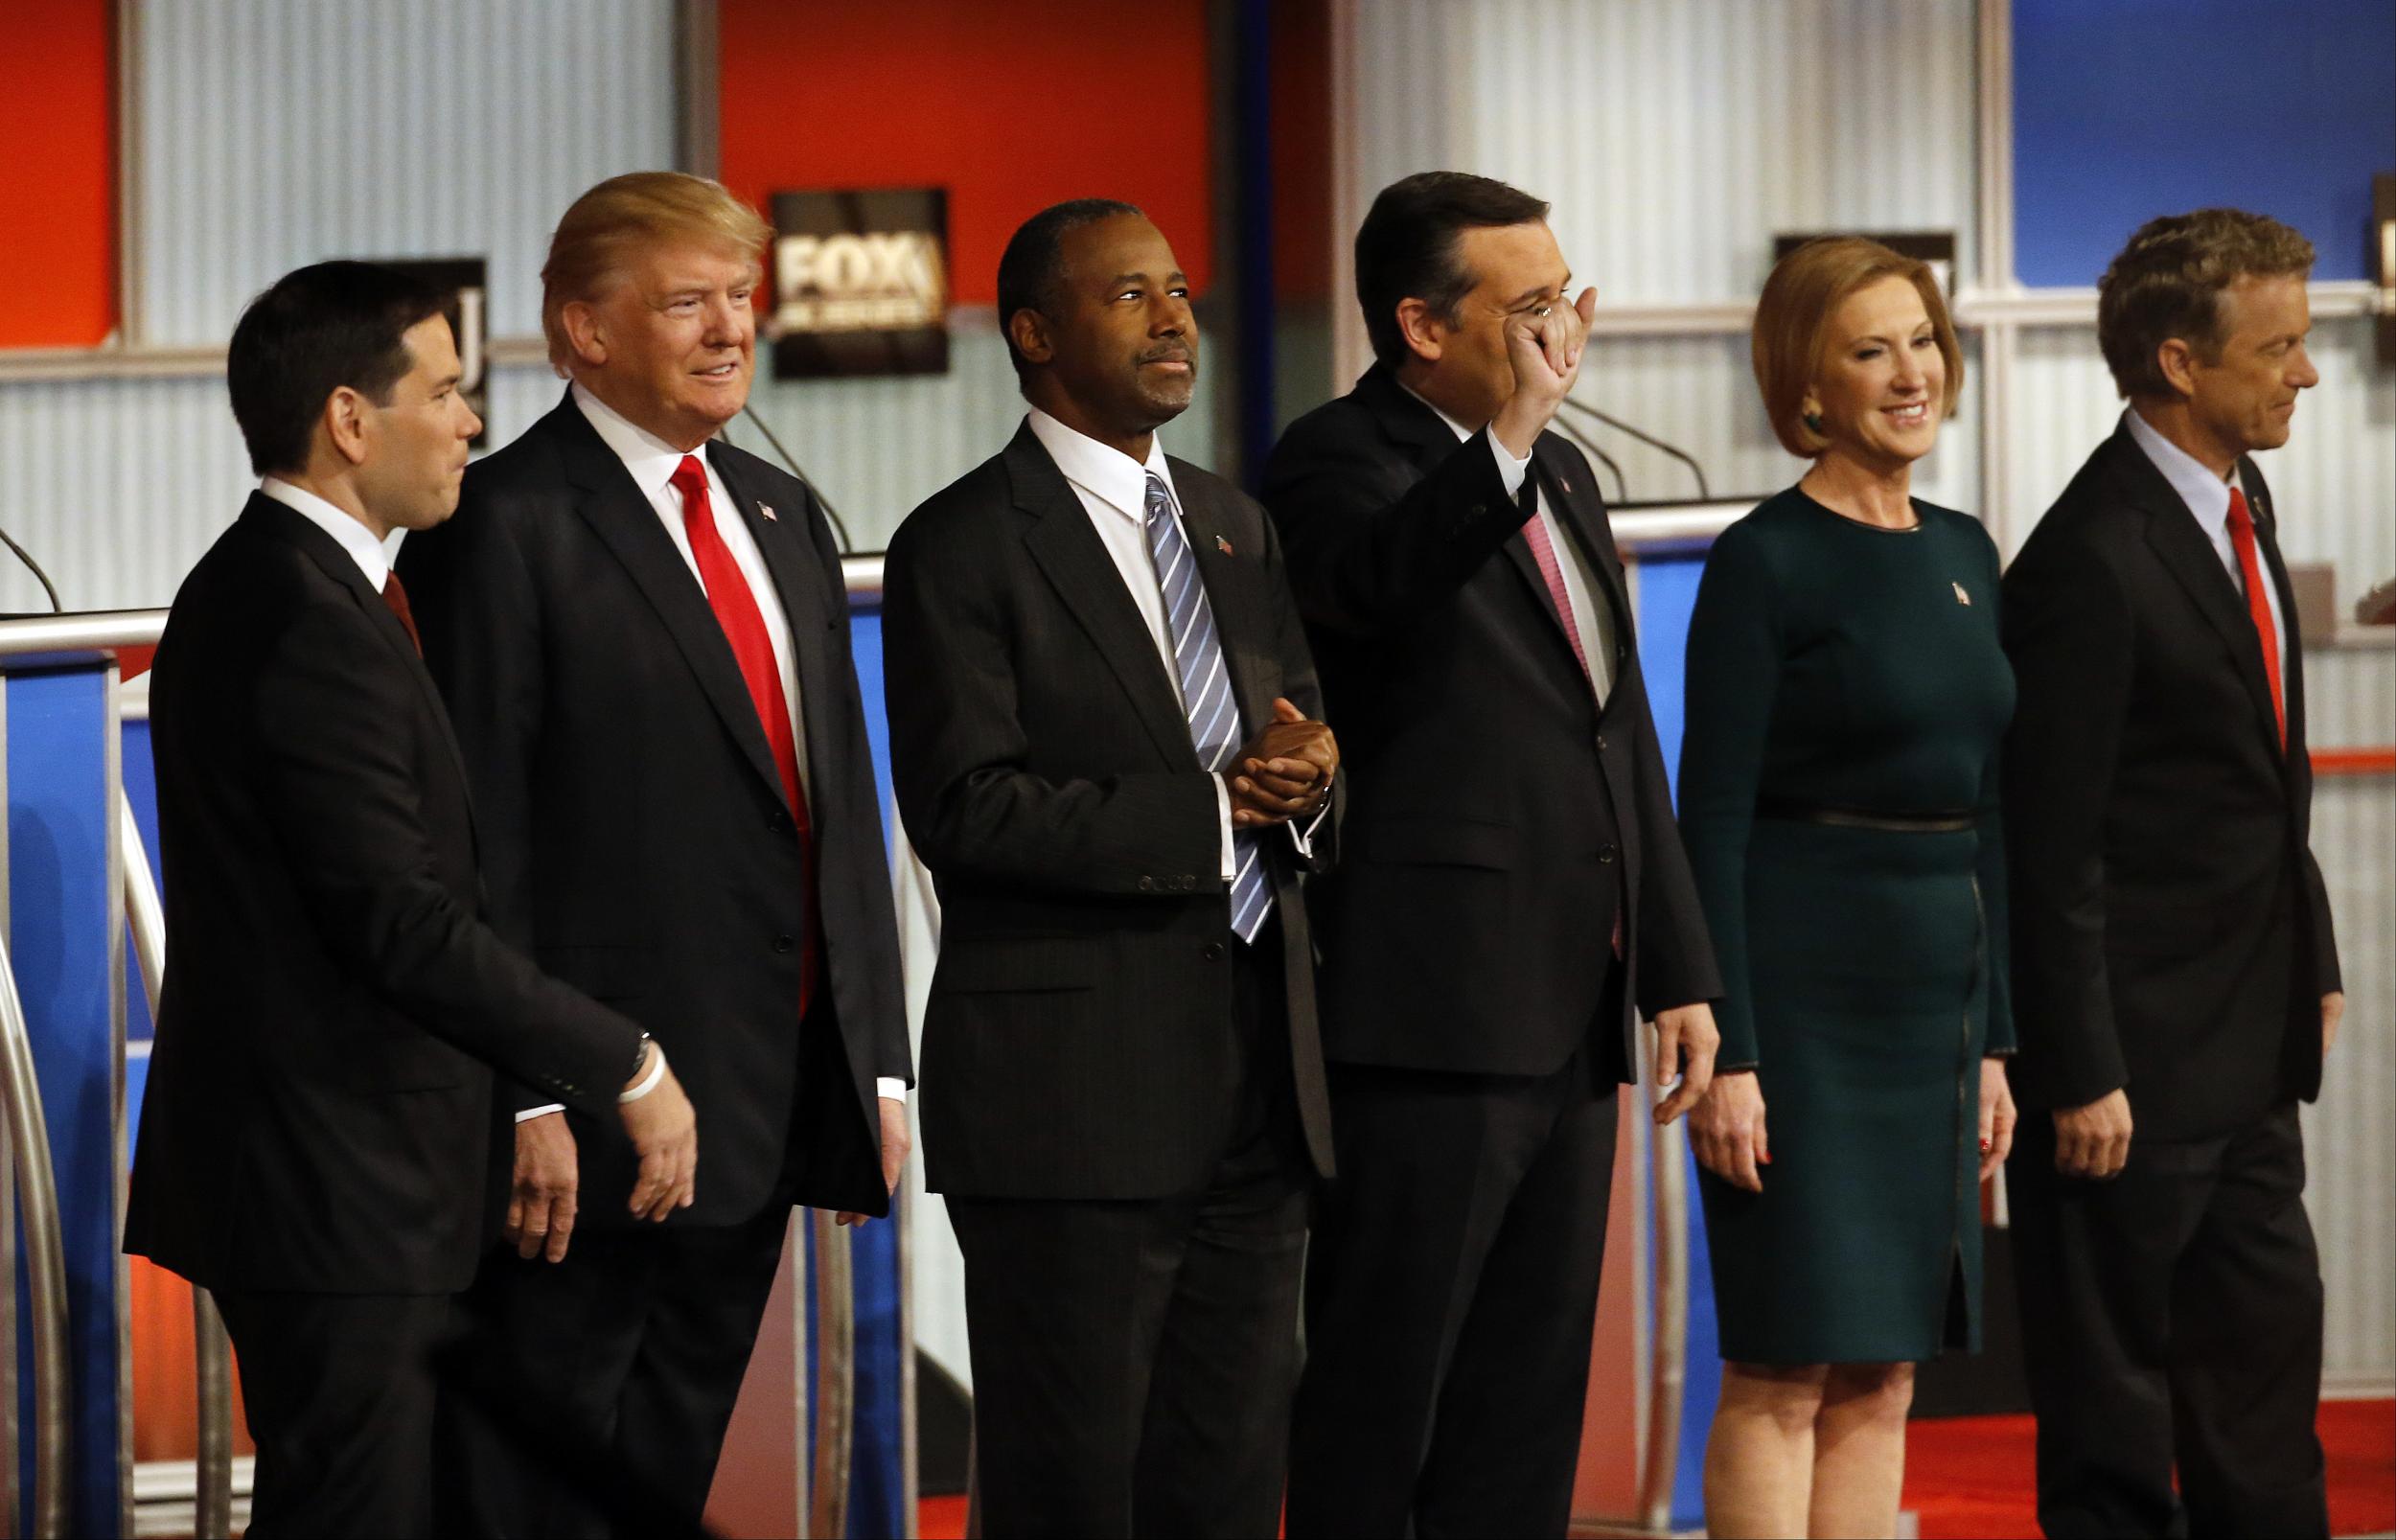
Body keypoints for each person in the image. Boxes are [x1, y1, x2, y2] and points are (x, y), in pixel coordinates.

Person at [124, 262, 699, 1538]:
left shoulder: (300, 590)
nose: (472, 423)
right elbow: (400, 924)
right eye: (445, 390)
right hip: (334, 1195)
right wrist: (625, 1061)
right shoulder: (297, 614)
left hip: (352, 1187)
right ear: (348, 418)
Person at [393, 172, 911, 1535]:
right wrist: (523, 1096)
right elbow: (469, 845)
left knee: (659, 1483)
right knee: (522, 1499)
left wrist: (877, 1060)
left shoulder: (783, 512)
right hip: (588, 1126)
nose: (728, 328)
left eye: (741, 296)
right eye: (687, 301)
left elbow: (838, 807)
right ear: (585, 331)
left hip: (762, 1105)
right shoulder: (495, 525)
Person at [1265, 171, 1722, 1539]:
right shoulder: (1334, 460)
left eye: (1563, 300)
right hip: (1427, 1015)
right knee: (1382, 1392)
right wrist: (1511, 438)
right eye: (1529, 310)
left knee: (1525, 1410)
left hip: (1573, 1008)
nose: (1560, 337)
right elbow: (1374, 593)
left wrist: (1678, 969)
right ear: (1419, 324)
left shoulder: (1565, 470)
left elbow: (1614, 729)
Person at [882, 198, 1338, 1538]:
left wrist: (1313, 783)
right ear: (1033, 331)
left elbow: (1296, 728)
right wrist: (1210, 817)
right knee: (1071, 1488)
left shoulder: (1233, 524)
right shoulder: (960, 544)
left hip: (1258, 1087)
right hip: (1070, 1112)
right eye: (1130, 295)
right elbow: (967, 809)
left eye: (1181, 290)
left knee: (1230, 1481)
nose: (1176, 317)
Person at [2002, 208, 2342, 1540]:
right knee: (2117, 1433)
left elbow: (2267, 783)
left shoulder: (2241, 497)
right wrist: (2080, 1066)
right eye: (2281, 349)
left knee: (2264, 1398)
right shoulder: (2090, 558)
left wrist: (2308, 958)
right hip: (2127, 1082)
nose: (2306, 373)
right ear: (2178, 364)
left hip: (2250, 1057)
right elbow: (2052, 840)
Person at [1676, 237, 2017, 1539]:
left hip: (1934, 1008)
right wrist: (1733, 1053)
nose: (1910, 371)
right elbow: (1709, 819)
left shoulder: (1967, 549)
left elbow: (1984, 807)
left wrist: (1992, 1042)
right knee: (1785, 1363)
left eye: (1921, 339)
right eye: (1871, 350)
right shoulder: (1764, 560)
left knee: (1886, 1366)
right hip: (1802, 1011)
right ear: (1806, 384)